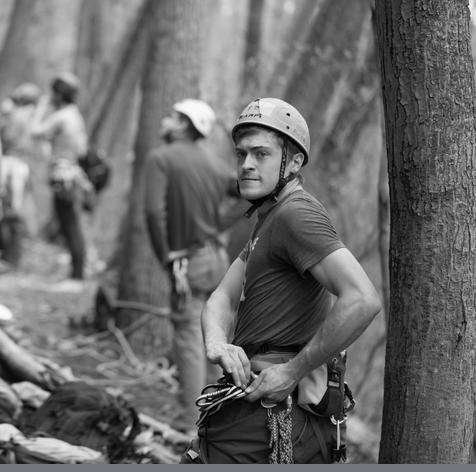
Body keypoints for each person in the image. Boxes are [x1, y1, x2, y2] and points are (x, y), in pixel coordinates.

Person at [181, 97, 382, 464]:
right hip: (251, 410)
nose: (246, 165)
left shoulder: (297, 215)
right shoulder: (269, 219)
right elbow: (221, 298)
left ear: (293, 161)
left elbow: (363, 299)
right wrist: (217, 343)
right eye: (241, 154)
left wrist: (293, 371)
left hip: (276, 415)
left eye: (261, 154)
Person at [143, 98, 238, 434]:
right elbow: (244, 190)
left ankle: (189, 423)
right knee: (214, 334)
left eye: (172, 116)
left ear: (184, 124)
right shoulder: (215, 165)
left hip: (189, 261)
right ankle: (218, 420)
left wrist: (166, 254)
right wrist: (220, 224)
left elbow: (154, 213)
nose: (165, 120)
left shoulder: (161, 159)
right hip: (218, 260)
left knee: (189, 337)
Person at [29, 72, 91, 281]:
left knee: (70, 227)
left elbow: (34, 130)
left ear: (58, 93)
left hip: (62, 175)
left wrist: (41, 106)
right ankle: (76, 274)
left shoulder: (62, 116)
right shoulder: (75, 116)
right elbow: (81, 150)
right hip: (70, 173)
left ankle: (77, 277)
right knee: (70, 225)